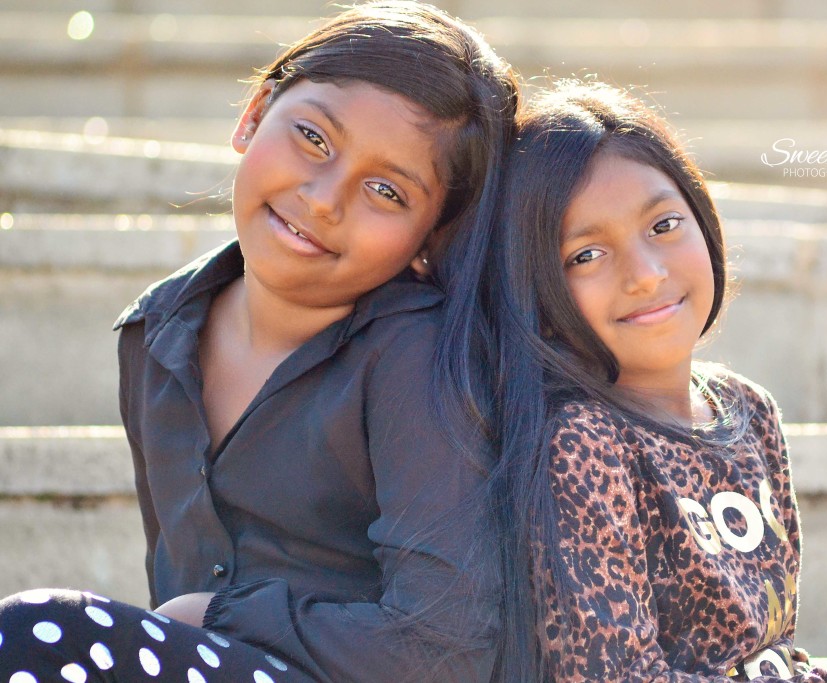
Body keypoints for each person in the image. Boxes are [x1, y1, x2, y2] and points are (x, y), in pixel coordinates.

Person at [0, 2, 518, 681]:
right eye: (313, 137)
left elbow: (445, 647)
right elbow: (175, 593)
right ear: (253, 113)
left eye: (387, 191)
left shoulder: (415, 356)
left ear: (433, 238)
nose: (326, 197)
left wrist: (218, 615)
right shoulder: (154, 333)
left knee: (42, 633)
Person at [469, 80, 827, 682]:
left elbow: (767, 663)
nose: (645, 275)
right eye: (586, 255)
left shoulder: (749, 412)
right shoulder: (586, 444)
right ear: (539, 286)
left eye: (664, 225)